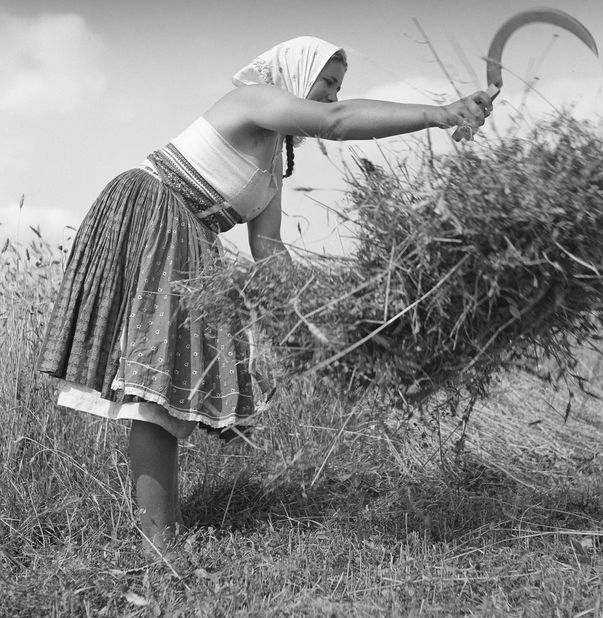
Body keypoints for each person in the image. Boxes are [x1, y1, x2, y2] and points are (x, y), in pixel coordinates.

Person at [37, 36, 493, 555]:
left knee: (166, 393)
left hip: (190, 236)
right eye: (325, 82)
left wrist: (319, 315)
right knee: (152, 387)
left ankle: (165, 534)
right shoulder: (254, 99)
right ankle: (158, 545)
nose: (329, 95)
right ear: (294, 76)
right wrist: (442, 113)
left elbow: (268, 248)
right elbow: (336, 122)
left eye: (338, 86)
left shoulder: (275, 165)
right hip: (153, 211)